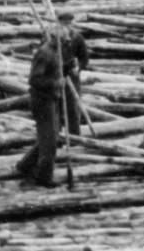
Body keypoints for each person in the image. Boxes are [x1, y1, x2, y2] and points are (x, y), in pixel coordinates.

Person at [16, 31, 64, 187]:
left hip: (50, 100)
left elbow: (53, 71)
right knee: (49, 141)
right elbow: (34, 79)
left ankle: (26, 165)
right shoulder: (44, 53)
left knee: (51, 137)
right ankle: (44, 178)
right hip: (42, 101)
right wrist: (56, 84)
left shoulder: (54, 52)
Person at [55, 10, 90, 136]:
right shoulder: (53, 37)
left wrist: (79, 68)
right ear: (59, 23)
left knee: (73, 108)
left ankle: (75, 137)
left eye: (69, 24)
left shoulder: (77, 38)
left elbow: (84, 58)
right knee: (55, 108)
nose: (67, 26)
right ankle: (56, 137)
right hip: (56, 76)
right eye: (64, 24)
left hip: (71, 77)